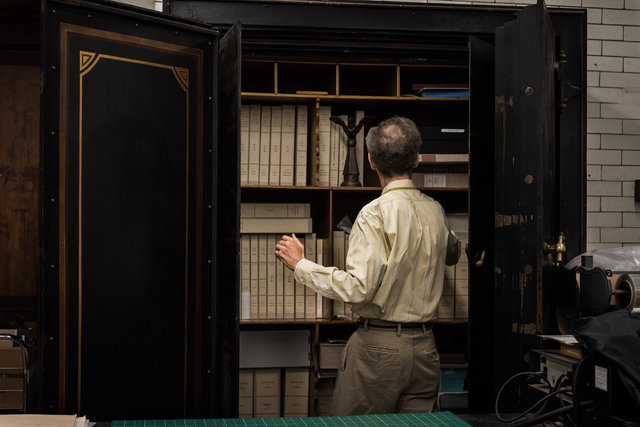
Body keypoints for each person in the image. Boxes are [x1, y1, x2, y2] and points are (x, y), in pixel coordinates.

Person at [275, 116, 452, 415]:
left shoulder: (374, 214)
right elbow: (453, 253)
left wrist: (301, 265)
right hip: (426, 350)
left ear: (370, 161)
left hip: (377, 351)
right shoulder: (436, 210)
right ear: (417, 160)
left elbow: (359, 289)